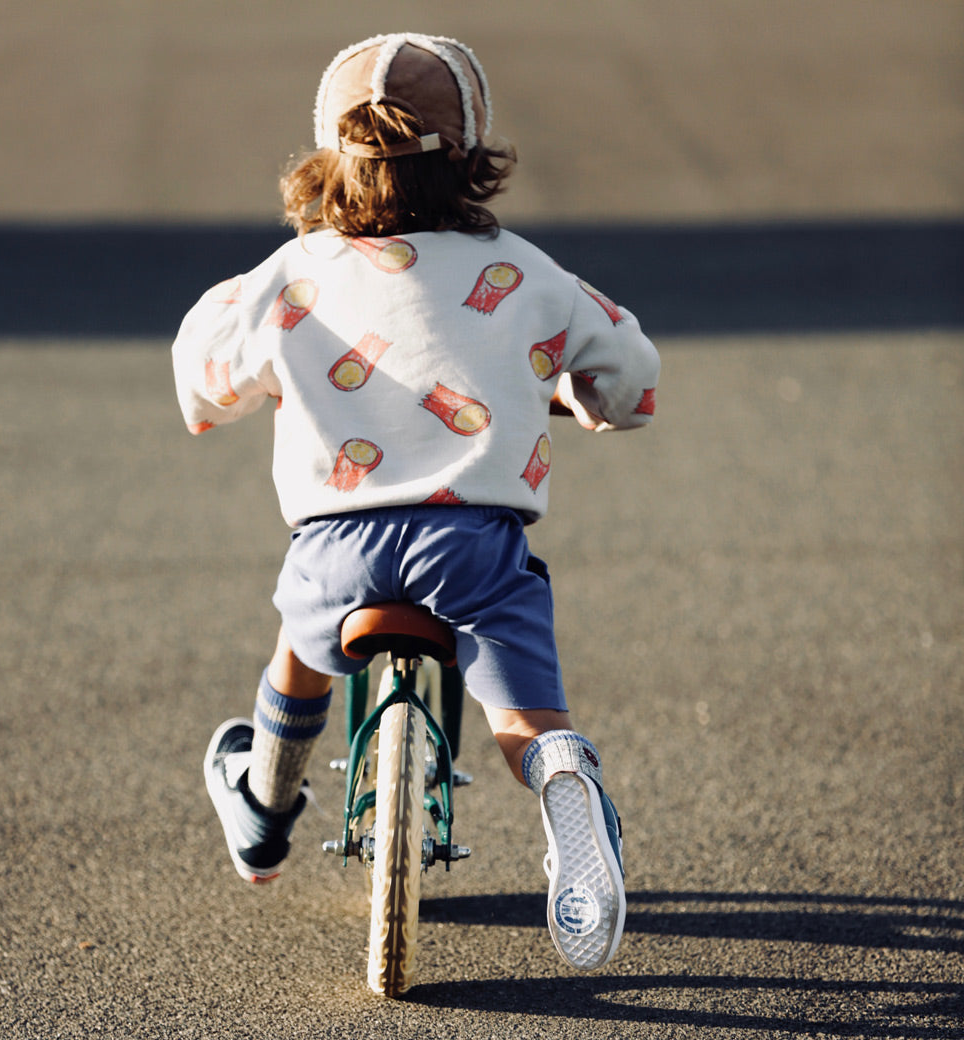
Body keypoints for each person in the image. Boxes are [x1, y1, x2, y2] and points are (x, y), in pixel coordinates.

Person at [171, 32, 659, 974]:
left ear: (331, 158)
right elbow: (631, 370)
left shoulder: (294, 275)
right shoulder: (527, 271)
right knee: (526, 714)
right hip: (474, 543)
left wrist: (258, 373)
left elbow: (203, 377)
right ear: (474, 161)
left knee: (298, 650)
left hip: (337, 548)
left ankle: (266, 804)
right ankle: (562, 775)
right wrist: (590, 401)